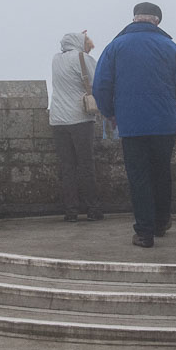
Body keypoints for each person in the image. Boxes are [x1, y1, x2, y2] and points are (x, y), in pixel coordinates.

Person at [92, 2, 176, 247]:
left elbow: (100, 86)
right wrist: (168, 101)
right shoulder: (169, 46)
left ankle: (145, 233)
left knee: (139, 177)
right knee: (161, 173)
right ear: (156, 21)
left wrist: (110, 112)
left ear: (134, 19)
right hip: (163, 123)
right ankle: (161, 222)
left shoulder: (115, 47)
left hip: (131, 124)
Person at [49, 31, 104, 222]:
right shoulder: (83, 58)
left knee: (67, 167)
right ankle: (93, 209)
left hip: (57, 120)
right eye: (86, 41)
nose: (90, 43)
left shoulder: (56, 59)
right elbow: (99, 81)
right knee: (86, 165)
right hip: (80, 118)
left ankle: (71, 211)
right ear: (79, 43)